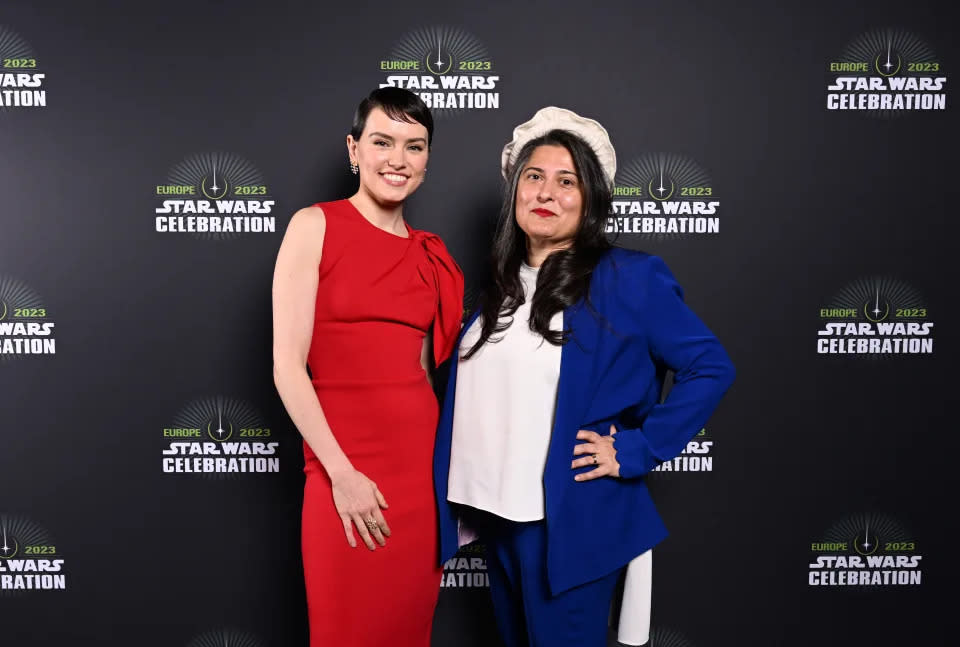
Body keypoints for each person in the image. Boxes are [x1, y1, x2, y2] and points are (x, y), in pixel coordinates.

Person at [432, 107, 735, 647]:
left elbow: (710, 366)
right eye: (534, 176)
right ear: (515, 190)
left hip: (570, 526)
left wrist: (638, 448)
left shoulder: (629, 279)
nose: (546, 192)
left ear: (591, 198)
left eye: (566, 181)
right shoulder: (500, 288)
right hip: (498, 520)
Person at [272, 87, 463, 647]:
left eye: (414, 146)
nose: (397, 160)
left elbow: (426, 374)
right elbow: (288, 366)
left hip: (419, 481)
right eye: (383, 142)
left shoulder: (432, 255)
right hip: (341, 473)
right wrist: (341, 473)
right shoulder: (315, 225)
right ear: (354, 150)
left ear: (427, 160)